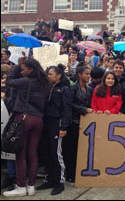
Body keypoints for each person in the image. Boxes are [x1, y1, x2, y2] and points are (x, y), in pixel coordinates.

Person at [3, 59, 49, 197]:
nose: (22, 72)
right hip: (38, 120)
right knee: (33, 153)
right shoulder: (45, 83)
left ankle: (21, 186)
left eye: (24, 69)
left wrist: (16, 66)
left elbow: (9, 80)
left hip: (23, 119)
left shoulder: (25, 82)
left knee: (20, 154)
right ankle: (31, 186)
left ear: (32, 69)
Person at [36, 65, 72, 195]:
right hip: (45, 122)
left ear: (59, 75)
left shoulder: (64, 89)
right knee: (46, 152)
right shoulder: (47, 87)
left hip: (57, 123)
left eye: (51, 74)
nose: (48, 76)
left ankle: (59, 182)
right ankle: (49, 179)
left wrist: (63, 127)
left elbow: (66, 109)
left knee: (56, 153)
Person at [63, 63, 94, 184]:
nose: (88, 76)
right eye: (86, 74)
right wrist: (84, 109)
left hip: (85, 124)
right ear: (79, 74)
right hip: (73, 123)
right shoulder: (71, 88)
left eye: (89, 74)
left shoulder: (89, 89)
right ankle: (70, 175)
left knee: (81, 150)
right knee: (71, 150)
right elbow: (68, 105)